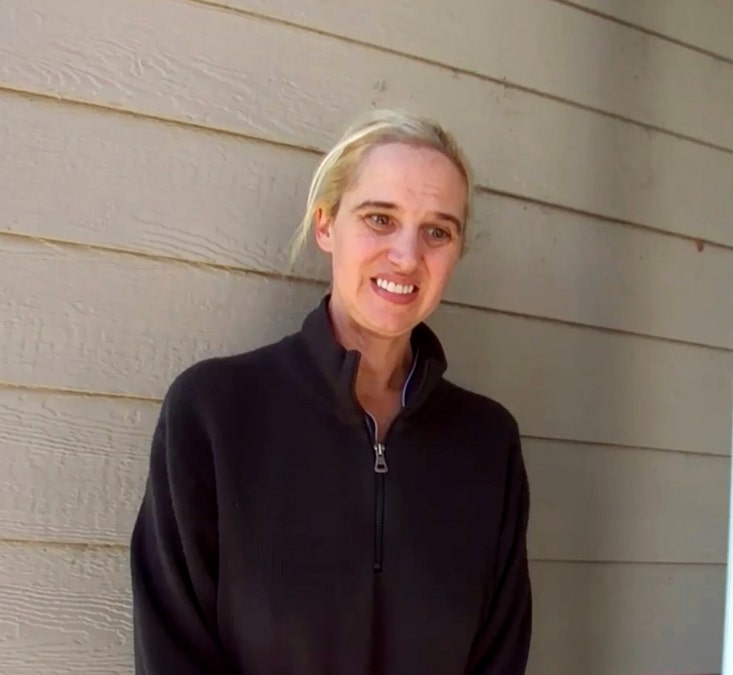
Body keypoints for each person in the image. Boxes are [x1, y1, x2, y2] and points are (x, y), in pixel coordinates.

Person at [128, 109, 533, 674]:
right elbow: (172, 651)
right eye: (380, 218)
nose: (407, 256)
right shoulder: (214, 415)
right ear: (325, 225)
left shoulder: (488, 444)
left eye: (438, 231)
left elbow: (499, 657)